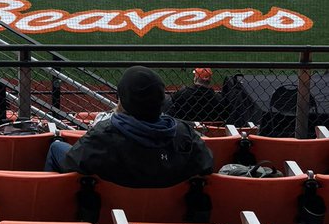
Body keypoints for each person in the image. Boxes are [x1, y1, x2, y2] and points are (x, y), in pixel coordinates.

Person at [45, 65, 214, 187]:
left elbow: (71, 163)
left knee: (56, 147)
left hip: (108, 218)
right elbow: (208, 165)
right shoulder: (184, 134)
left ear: (122, 100)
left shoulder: (102, 135)